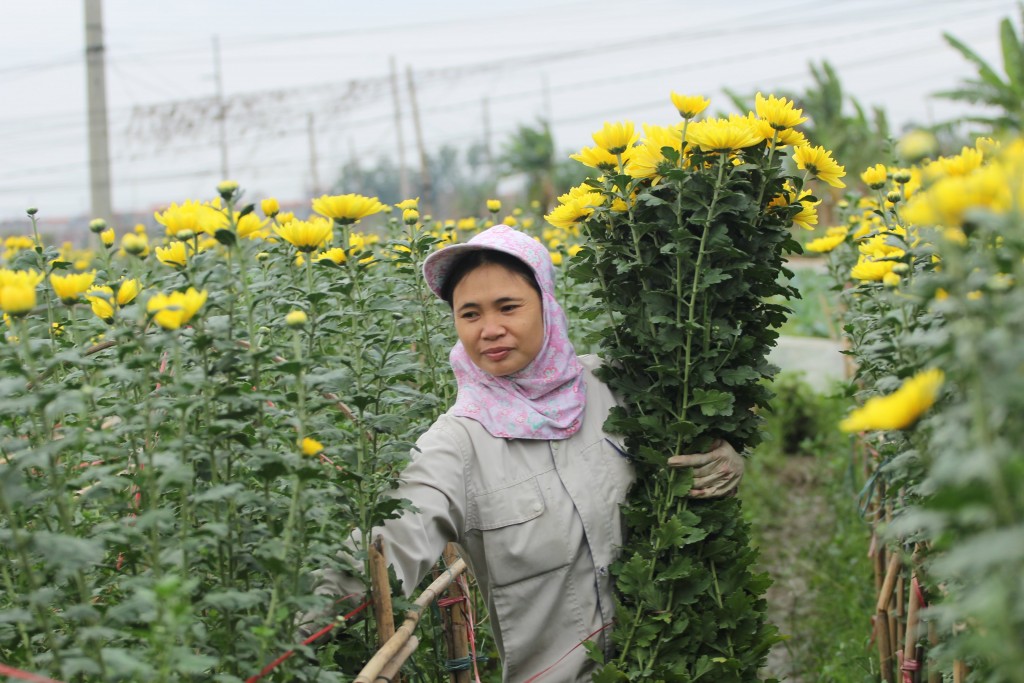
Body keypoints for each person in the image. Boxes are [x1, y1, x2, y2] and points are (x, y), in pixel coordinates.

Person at [299, 225, 744, 682]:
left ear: (547, 305)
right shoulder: (457, 444)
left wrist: (727, 455)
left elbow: (697, 440)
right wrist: (295, 627)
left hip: (671, 664)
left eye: (508, 307)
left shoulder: (617, 387)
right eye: (469, 314)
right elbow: (391, 540)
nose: (491, 330)